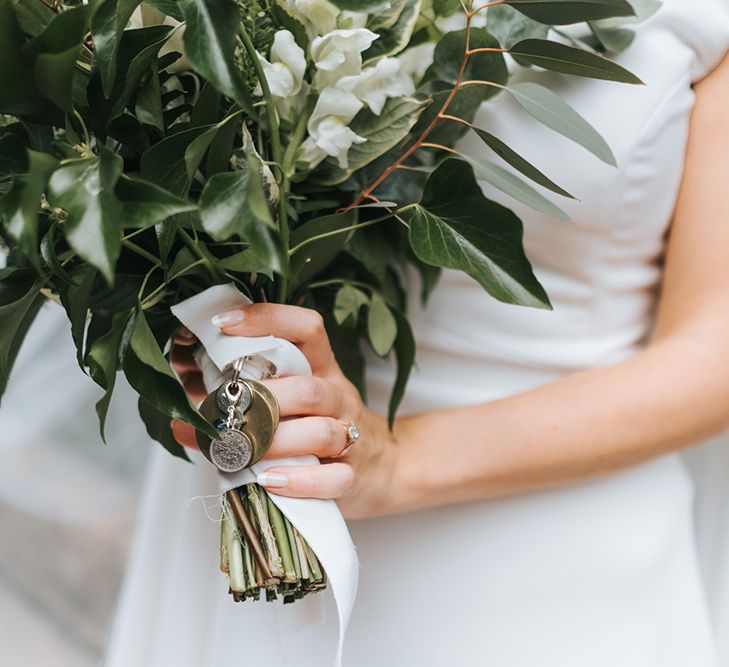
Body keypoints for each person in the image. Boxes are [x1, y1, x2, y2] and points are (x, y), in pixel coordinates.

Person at [105, 1, 729, 665]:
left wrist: (394, 460)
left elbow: (711, 350)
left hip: (551, 542)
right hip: (266, 474)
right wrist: (196, 323)